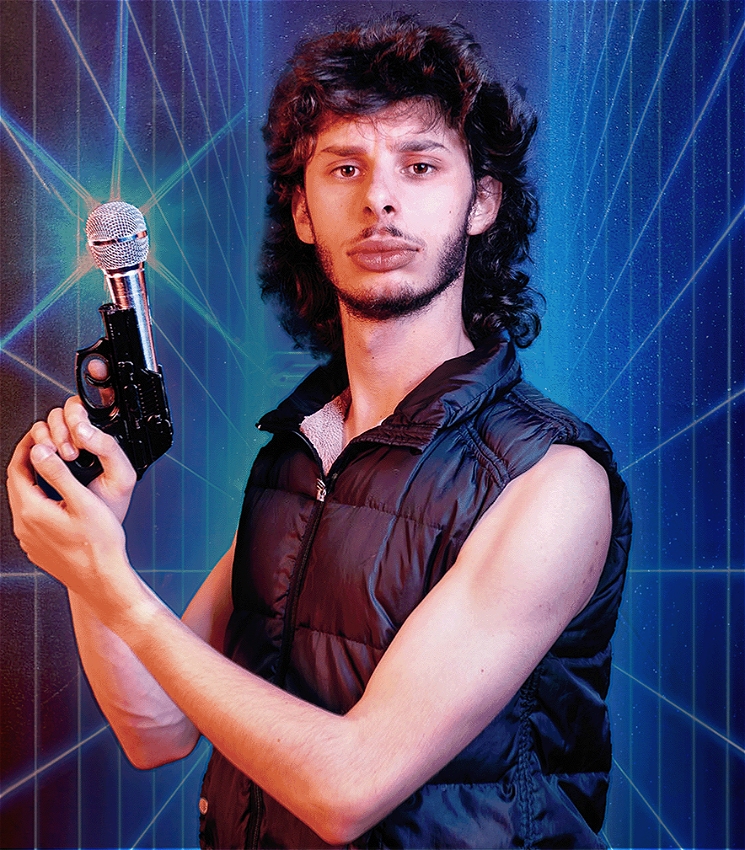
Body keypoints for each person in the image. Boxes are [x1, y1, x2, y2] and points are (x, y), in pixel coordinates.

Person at [7, 16, 631, 850]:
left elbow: (348, 786)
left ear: (481, 203)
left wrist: (114, 583)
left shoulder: (550, 481)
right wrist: (90, 549)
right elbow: (154, 727)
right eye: (345, 167)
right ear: (303, 213)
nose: (379, 197)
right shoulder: (297, 454)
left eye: (419, 165)